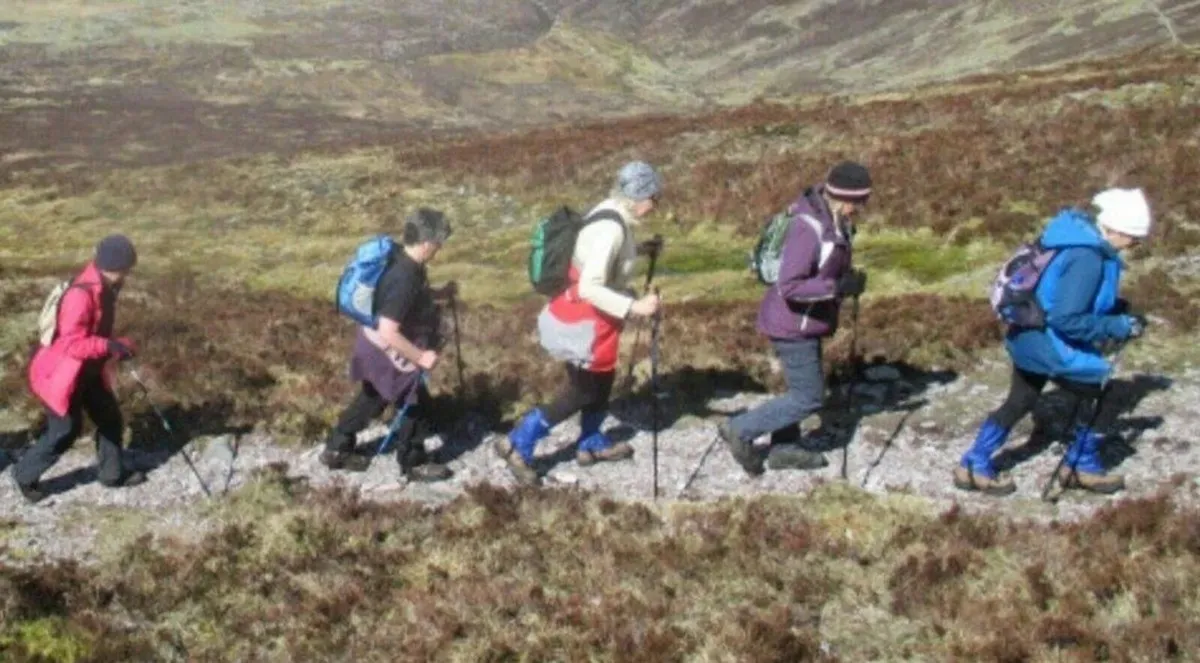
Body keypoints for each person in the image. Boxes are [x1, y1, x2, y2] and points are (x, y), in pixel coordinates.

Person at [954, 188, 1152, 496]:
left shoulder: (1071, 239)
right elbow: (1067, 319)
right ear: (1117, 229)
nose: (1137, 244)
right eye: (1135, 236)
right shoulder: (1088, 257)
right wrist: (1119, 325)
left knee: (1021, 400)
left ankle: (973, 464)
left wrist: (1113, 309)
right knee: (1098, 390)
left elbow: (1062, 298)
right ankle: (1081, 465)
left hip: (1026, 333)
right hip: (1049, 341)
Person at [494, 161, 665, 485]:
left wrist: (640, 250)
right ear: (641, 197)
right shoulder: (613, 229)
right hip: (586, 321)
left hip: (587, 317)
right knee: (581, 390)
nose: (656, 206)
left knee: (601, 380)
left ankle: (590, 442)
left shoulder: (610, 211)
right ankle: (520, 441)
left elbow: (597, 254)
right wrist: (636, 307)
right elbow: (591, 285)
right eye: (655, 198)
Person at [718, 162, 872, 475]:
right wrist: (835, 287)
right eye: (861, 202)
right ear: (846, 199)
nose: (862, 209)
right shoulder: (809, 227)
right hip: (792, 324)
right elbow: (790, 285)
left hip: (807, 320)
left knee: (801, 388)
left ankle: (784, 448)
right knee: (809, 398)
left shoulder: (832, 218)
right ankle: (741, 429)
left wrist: (846, 281)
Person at [320, 208, 455, 482]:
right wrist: (421, 356)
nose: (440, 248)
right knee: (415, 401)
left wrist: (438, 294)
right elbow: (389, 329)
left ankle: (336, 448)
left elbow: (402, 300)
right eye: (439, 242)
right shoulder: (405, 277)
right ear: (427, 243)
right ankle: (413, 462)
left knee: (373, 395)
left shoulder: (400, 258)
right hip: (388, 351)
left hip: (370, 345)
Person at [13, 234, 147, 504]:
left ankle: (112, 474)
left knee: (109, 418)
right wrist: (109, 347)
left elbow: (93, 337)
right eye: (128, 268)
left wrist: (115, 346)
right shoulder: (81, 296)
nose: (129, 274)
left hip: (87, 371)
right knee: (64, 430)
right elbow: (71, 345)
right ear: (118, 267)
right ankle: (24, 476)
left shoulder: (104, 288)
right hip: (60, 375)